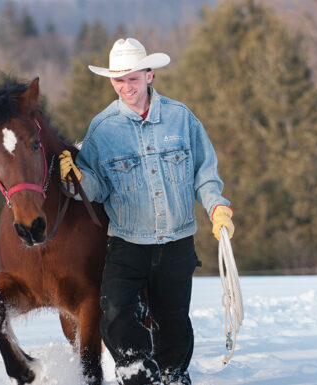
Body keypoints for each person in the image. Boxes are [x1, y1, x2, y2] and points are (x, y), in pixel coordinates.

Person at [59, 38, 234, 385]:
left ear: (150, 75)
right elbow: (97, 188)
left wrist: (217, 207)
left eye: (133, 78)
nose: (126, 87)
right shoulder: (102, 129)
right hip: (127, 242)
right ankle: (138, 373)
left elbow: (204, 173)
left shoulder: (181, 119)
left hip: (177, 241)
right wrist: (75, 179)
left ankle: (173, 376)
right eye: (119, 80)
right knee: (114, 312)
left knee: (173, 322)